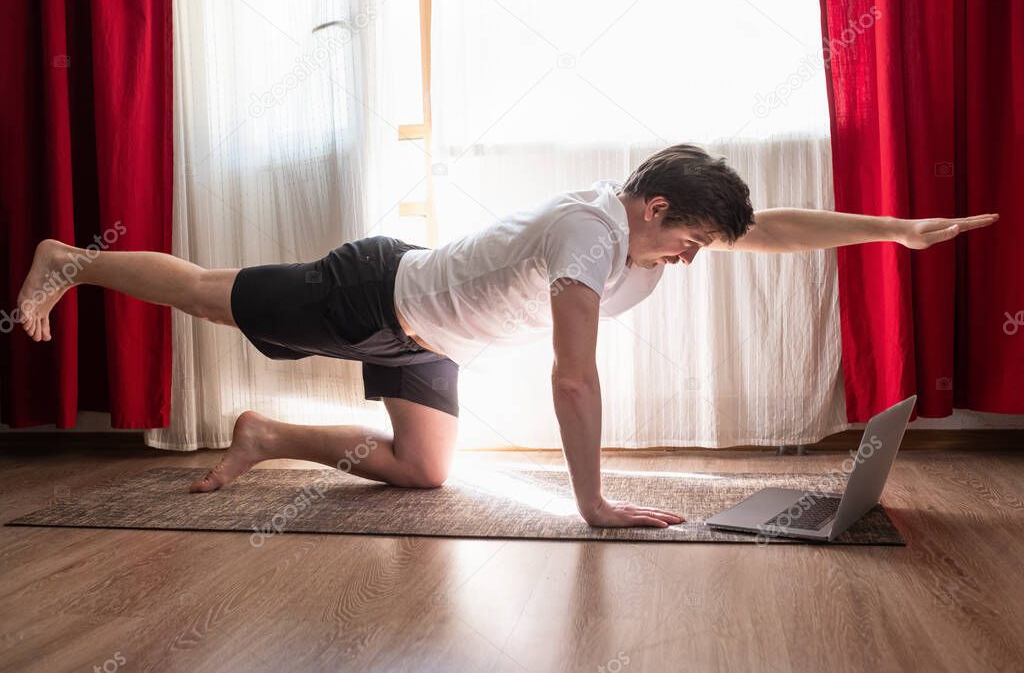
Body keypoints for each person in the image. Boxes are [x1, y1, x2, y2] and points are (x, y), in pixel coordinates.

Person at [15, 144, 998, 528]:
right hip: (369, 293)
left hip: (428, 335)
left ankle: (267, 434)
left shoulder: (647, 230)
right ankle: (72, 257)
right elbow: (575, 380)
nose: (697, 258)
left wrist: (896, 229)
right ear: (652, 207)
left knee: (422, 469)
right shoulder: (590, 237)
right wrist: (593, 502)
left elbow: (766, 227)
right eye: (690, 242)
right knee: (204, 293)